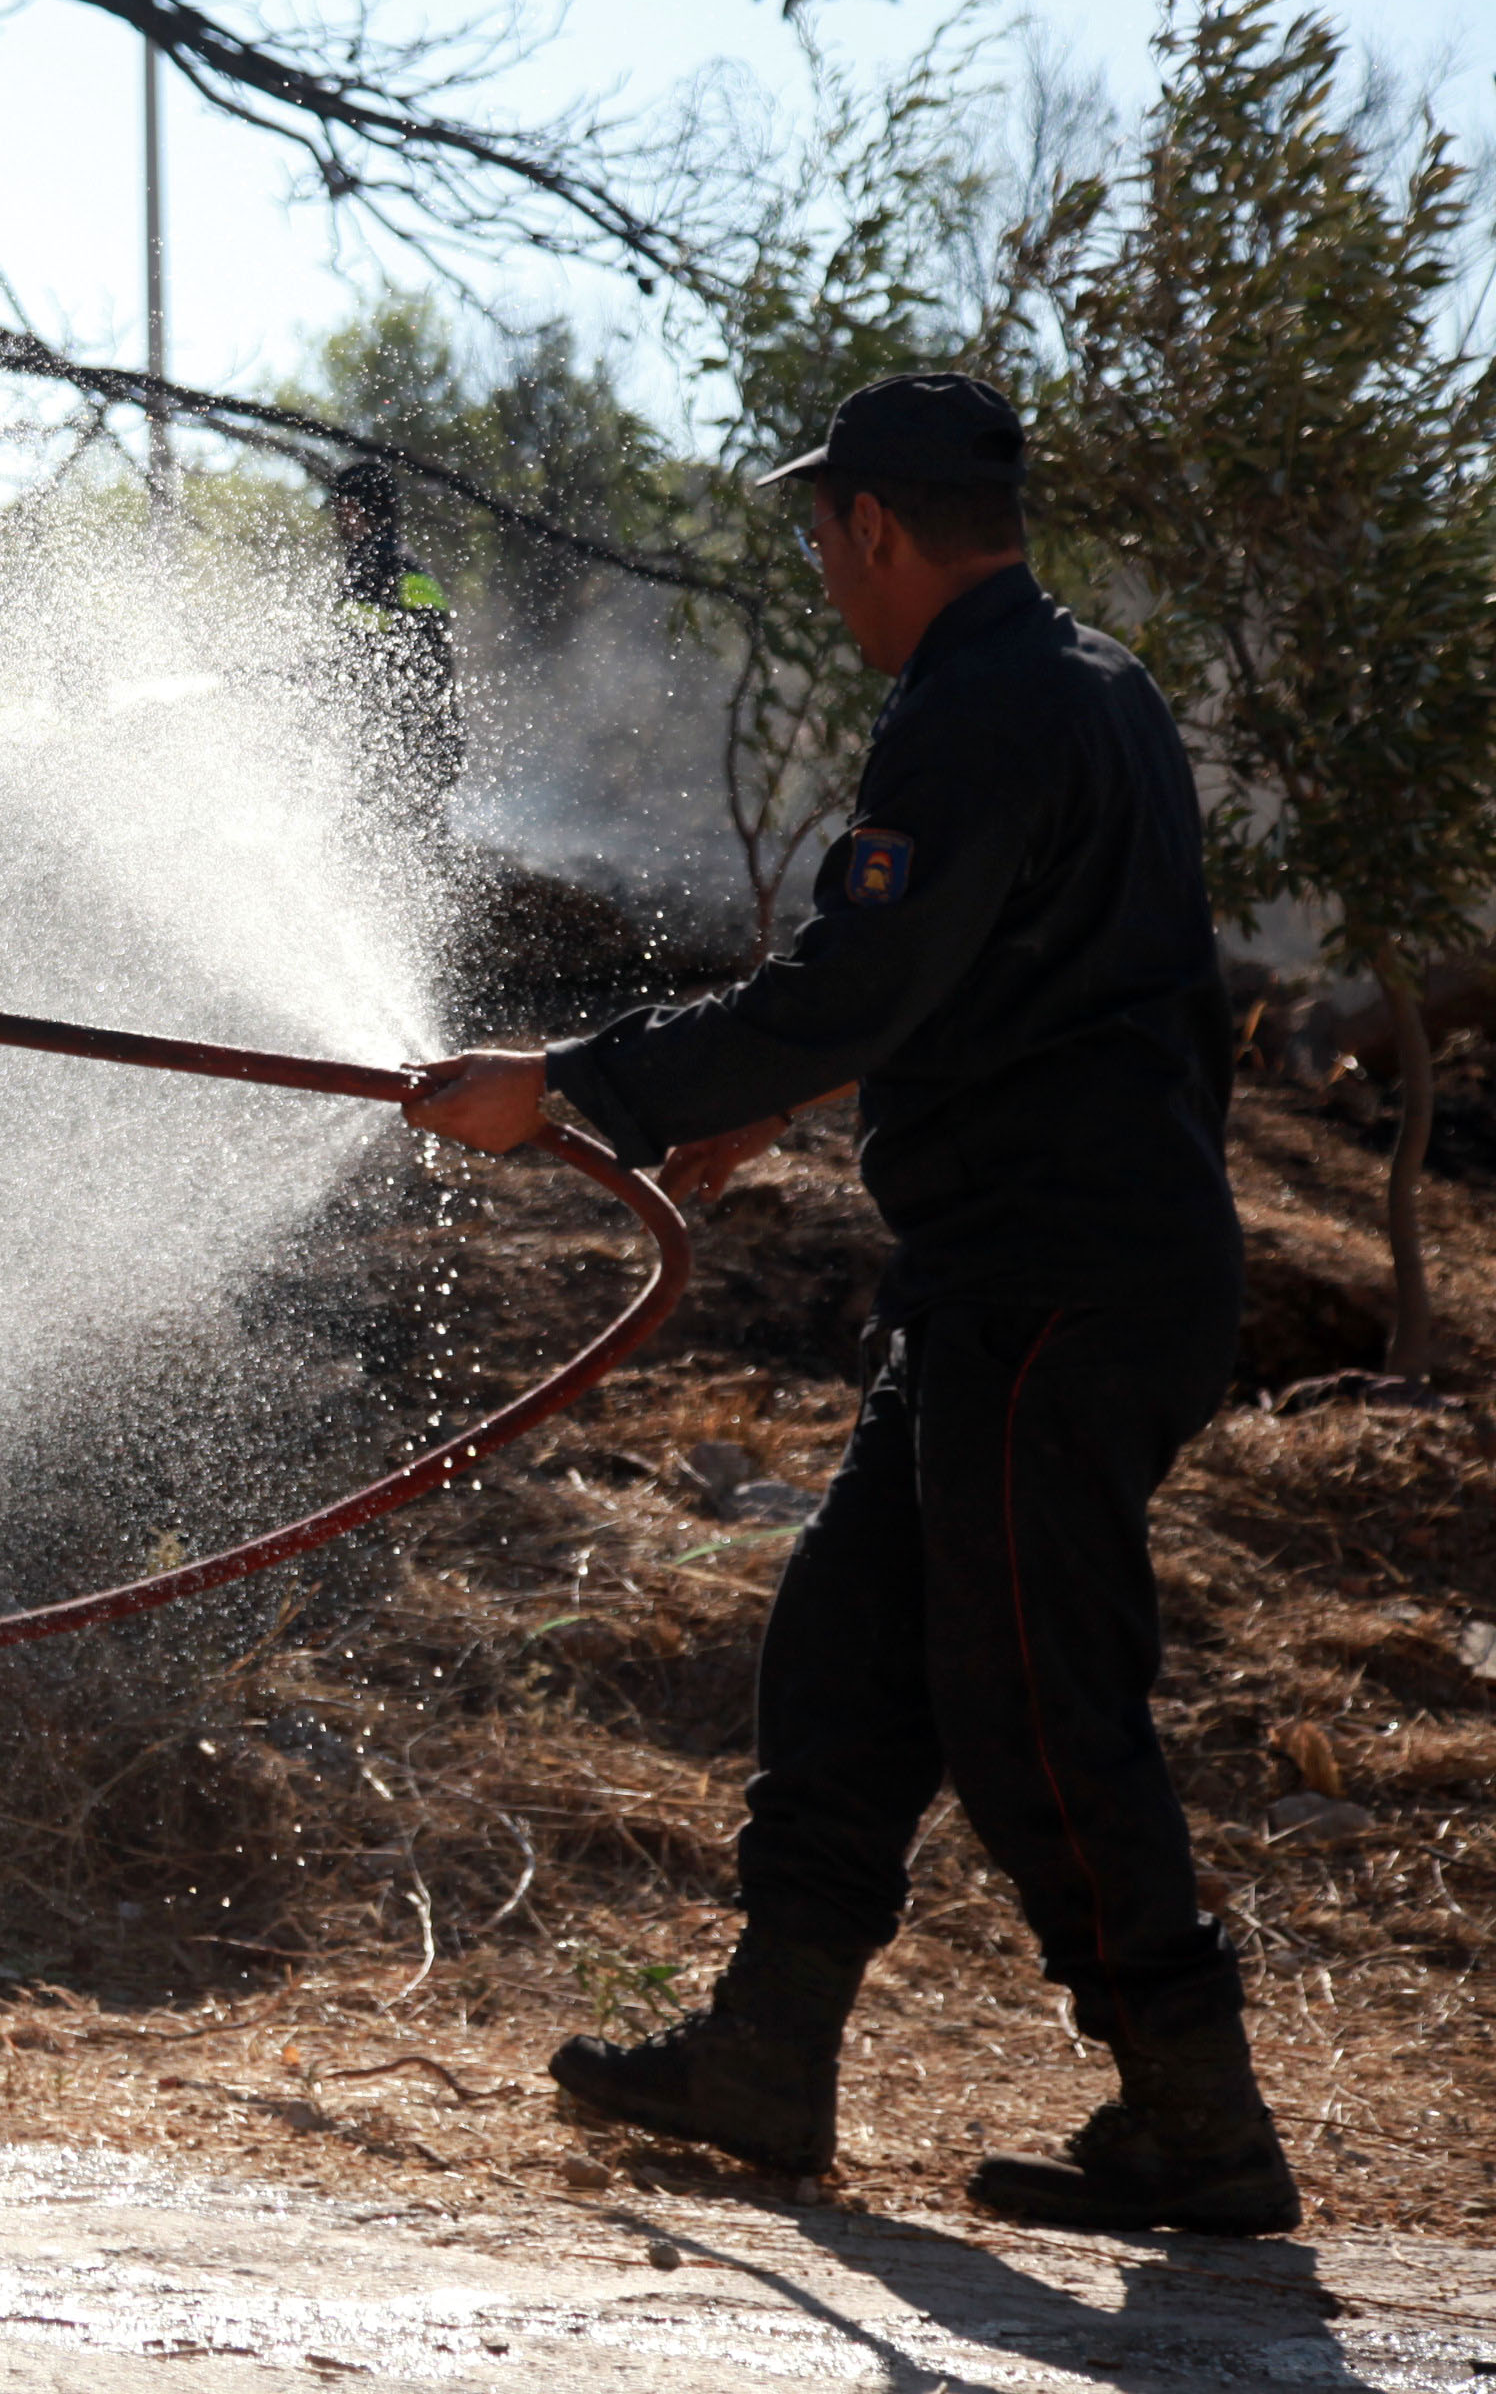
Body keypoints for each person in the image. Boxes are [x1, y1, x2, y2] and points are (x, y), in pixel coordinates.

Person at [402, 373, 1292, 2237]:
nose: (824, 573)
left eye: (821, 538)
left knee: (1038, 1699)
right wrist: (756, 1103)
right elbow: (991, 983)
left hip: (1058, 1279)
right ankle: (766, 2053)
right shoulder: (1095, 685)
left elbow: (856, 984)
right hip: (1035, 1267)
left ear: (873, 527)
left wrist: (565, 1085)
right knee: (850, 1656)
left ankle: (1197, 2119)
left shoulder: (976, 712)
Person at [324, 458, 464, 829]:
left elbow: (364, 661)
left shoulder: (374, 568)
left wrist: (318, 679)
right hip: (431, 740)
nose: (338, 521)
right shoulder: (410, 567)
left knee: (378, 839)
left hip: (401, 742)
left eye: (343, 509)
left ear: (358, 509)